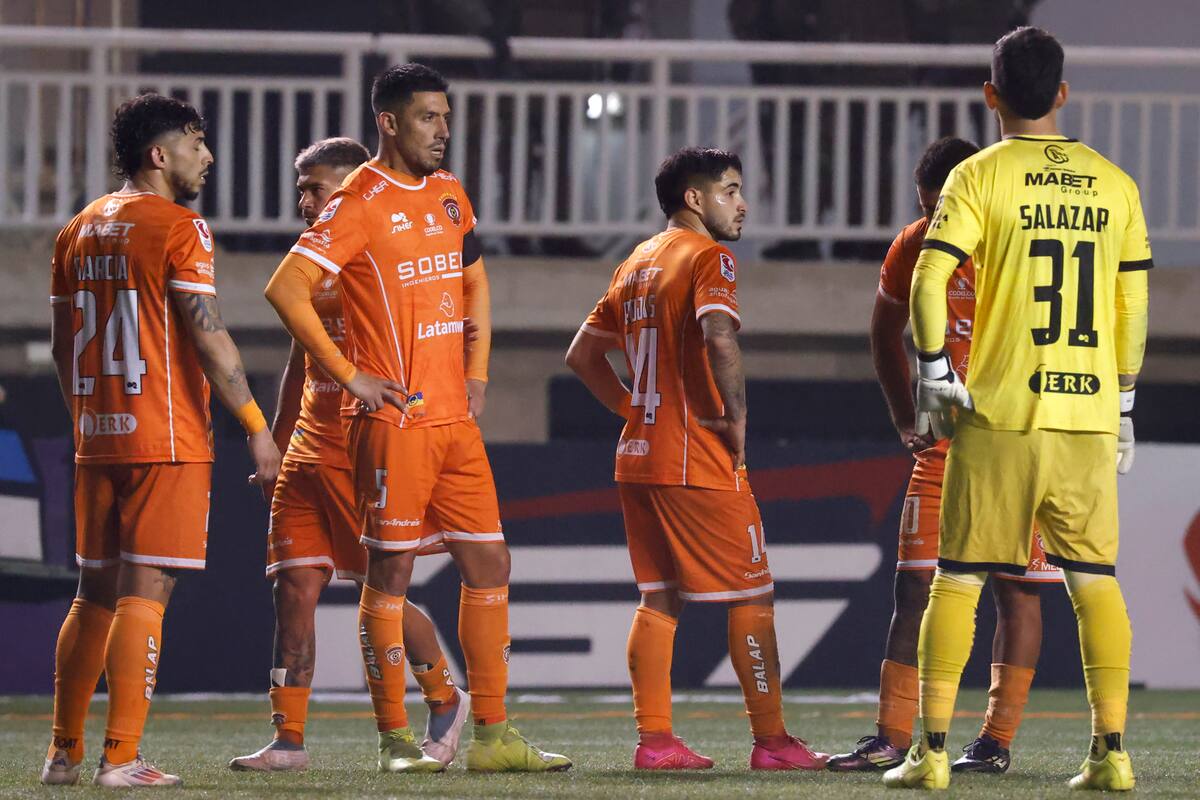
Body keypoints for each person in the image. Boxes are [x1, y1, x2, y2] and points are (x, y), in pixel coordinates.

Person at [264, 62, 570, 773]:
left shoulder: (449, 194)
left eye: (446, 115)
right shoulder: (358, 202)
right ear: (390, 122)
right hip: (392, 424)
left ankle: (492, 737)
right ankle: (396, 740)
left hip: (453, 420)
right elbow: (286, 289)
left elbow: (474, 282)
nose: (444, 129)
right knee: (389, 574)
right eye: (429, 117)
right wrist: (349, 377)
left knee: (490, 559)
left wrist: (478, 374)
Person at [883, 27, 1150, 791]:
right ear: (1063, 94)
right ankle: (1111, 753)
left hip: (998, 412)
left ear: (990, 95)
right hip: (1088, 417)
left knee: (958, 579)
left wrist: (934, 373)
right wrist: (1124, 400)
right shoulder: (1114, 184)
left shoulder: (978, 176)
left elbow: (929, 284)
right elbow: (1133, 303)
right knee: (1093, 581)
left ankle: (930, 752)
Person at [43, 93, 281, 787]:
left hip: (99, 436)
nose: (205, 156)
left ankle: (64, 753)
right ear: (159, 154)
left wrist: (86, 417)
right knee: (147, 588)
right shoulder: (180, 227)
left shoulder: (77, 230)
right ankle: (121, 757)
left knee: (92, 593)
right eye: (195, 143)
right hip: (166, 436)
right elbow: (208, 337)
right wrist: (257, 427)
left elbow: (64, 346)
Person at [565, 146, 827, 771]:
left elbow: (581, 355)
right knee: (753, 596)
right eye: (730, 190)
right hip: (695, 457)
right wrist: (736, 419)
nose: (742, 203)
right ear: (695, 199)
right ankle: (772, 742)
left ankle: (655, 742)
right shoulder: (709, 256)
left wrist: (635, 410)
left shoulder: (635, 261)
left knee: (659, 599)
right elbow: (718, 334)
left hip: (638, 455)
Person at [229, 137, 469, 773]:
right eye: (300, 189)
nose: (305, 201)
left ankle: (446, 697)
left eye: (317, 188)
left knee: (377, 589)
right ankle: (288, 739)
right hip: (307, 449)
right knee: (293, 589)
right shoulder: (313, 257)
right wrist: (275, 442)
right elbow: (298, 360)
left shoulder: (384, 249)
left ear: (357, 185)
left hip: (364, 447)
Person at [828, 136, 1063, 775]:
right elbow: (882, 330)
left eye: (945, 209)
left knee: (1017, 590)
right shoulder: (913, 245)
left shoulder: (1019, 236)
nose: (937, 223)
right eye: (928, 209)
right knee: (914, 588)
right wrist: (905, 416)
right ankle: (890, 737)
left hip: (1019, 442)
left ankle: (994, 742)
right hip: (943, 449)